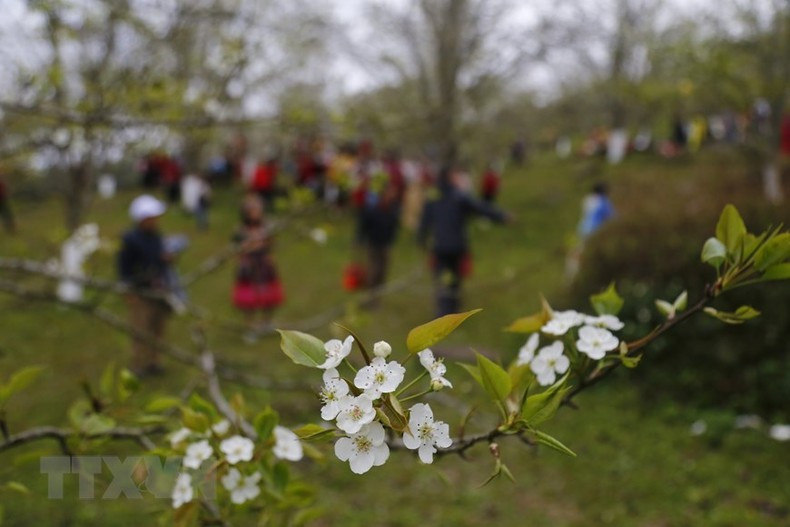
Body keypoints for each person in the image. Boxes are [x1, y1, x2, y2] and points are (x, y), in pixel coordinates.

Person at [418, 167, 510, 316]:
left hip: (440, 245)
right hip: (455, 245)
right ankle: (450, 309)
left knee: (443, 277)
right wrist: (501, 216)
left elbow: (424, 221)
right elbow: (480, 207)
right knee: (453, 277)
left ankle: (445, 310)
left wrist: (421, 239)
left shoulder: (434, 197)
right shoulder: (458, 196)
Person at [118, 195, 171, 377]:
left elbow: (158, 260)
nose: (156, 221)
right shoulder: (130, 240)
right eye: (152, 217)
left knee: (157, 327)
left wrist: (165, 260)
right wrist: (128, 290)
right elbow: (124, 267)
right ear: (142, 219)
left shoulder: (156, 237)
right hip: (140, 291)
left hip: (158, 289)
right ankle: (138, 364)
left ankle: (154, 361)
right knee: (140, 329)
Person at [232, 194, 284, 342]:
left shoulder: (266, 226)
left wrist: (267, 248)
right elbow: (236, 248)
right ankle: (250, 327)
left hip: (264, 265)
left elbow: (272, 243)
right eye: (253, 210)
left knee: (268, 296)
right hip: (248, 267)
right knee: (249, 300)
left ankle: (266, 322)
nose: (257, 212)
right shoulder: (240, 230)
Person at [359, 183, 401, 299]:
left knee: (383, 271)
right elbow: (364, 226)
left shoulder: (393, 210)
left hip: (385, 244)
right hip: (373, 243)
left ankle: (378, 295)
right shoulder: (373, 209)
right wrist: (360, 240)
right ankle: (370, 295)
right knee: (374, 270)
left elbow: (393, 227)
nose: (393, 195)